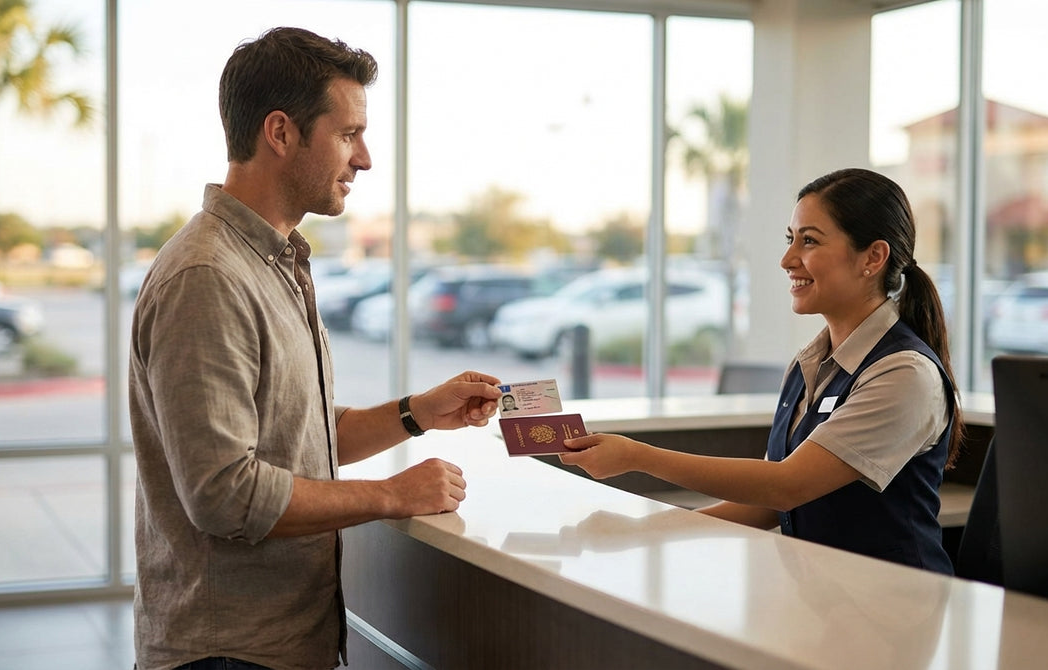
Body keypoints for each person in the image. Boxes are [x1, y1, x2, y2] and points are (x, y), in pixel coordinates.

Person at [128, 27, 502, 670]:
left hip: (280, 645)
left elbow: (300, 439)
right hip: (228, 655)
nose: (365, 159)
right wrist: (392, 495)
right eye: (348, 133)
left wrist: (419, 411)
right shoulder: (209, 277)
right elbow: (224, 493)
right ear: (281, 132)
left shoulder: (273, 262)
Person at [562, 167, 964, 574]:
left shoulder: (905, 374)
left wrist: (637, 456)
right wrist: (646, 531)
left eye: (809, 241)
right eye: (791, 239)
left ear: (873, 257)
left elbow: (786, 486)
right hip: (823, 602)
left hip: (896, 609)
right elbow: (767, 502)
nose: (788, 259)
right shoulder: (811, 362)